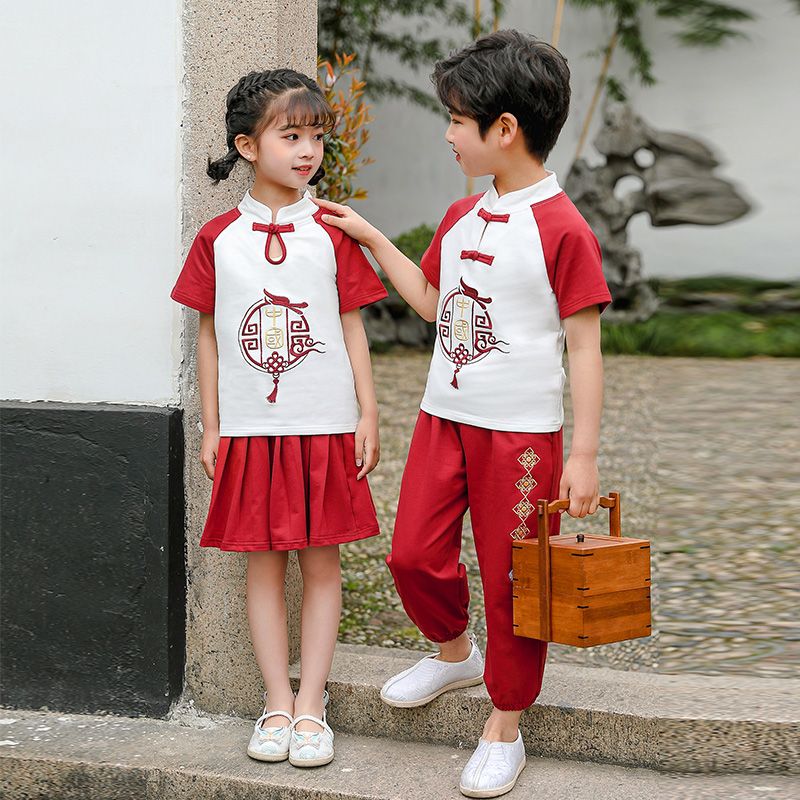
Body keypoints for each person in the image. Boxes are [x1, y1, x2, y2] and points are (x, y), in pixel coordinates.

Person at [313, 30, 612, 798]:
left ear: (503, 129)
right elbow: (429, 303)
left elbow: (585, 349)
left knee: (516, 580)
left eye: (455, 120)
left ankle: (505, 723)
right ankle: (454, 654)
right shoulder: (461, 216)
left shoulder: (564, 229)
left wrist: (581, 455)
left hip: (520, 437)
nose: (447, 135)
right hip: (442, 416)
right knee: (411, 553)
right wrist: (371, 235)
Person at [170, 68, 387, 768]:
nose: (307, 151)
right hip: (251, 432)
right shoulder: (218, 238)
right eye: (290, 136)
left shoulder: (332, 230)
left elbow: (352, 326)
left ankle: (313, 704)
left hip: (323, 424)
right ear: (246, 144)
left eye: (316, 137)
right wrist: (213, 425)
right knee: (262, 568)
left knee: (322, 564)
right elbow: (207, 333)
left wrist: (369, 413)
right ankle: (275, 702)